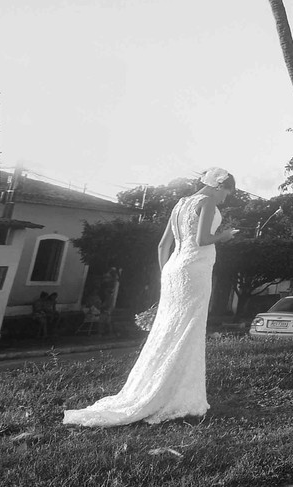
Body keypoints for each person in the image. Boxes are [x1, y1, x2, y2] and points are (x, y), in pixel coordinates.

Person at [63, 168, 239, 427]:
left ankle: (158, 388)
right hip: (194, 271)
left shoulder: (181, 204)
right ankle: (179, 396)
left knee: (167, 329)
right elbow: (203, 239)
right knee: (188, 329)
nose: (226, 198)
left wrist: (165, 275)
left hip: (173, 270)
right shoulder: (208, 201)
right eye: (227, 192)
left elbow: (162, 245)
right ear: (219, 185)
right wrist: (224, 236)